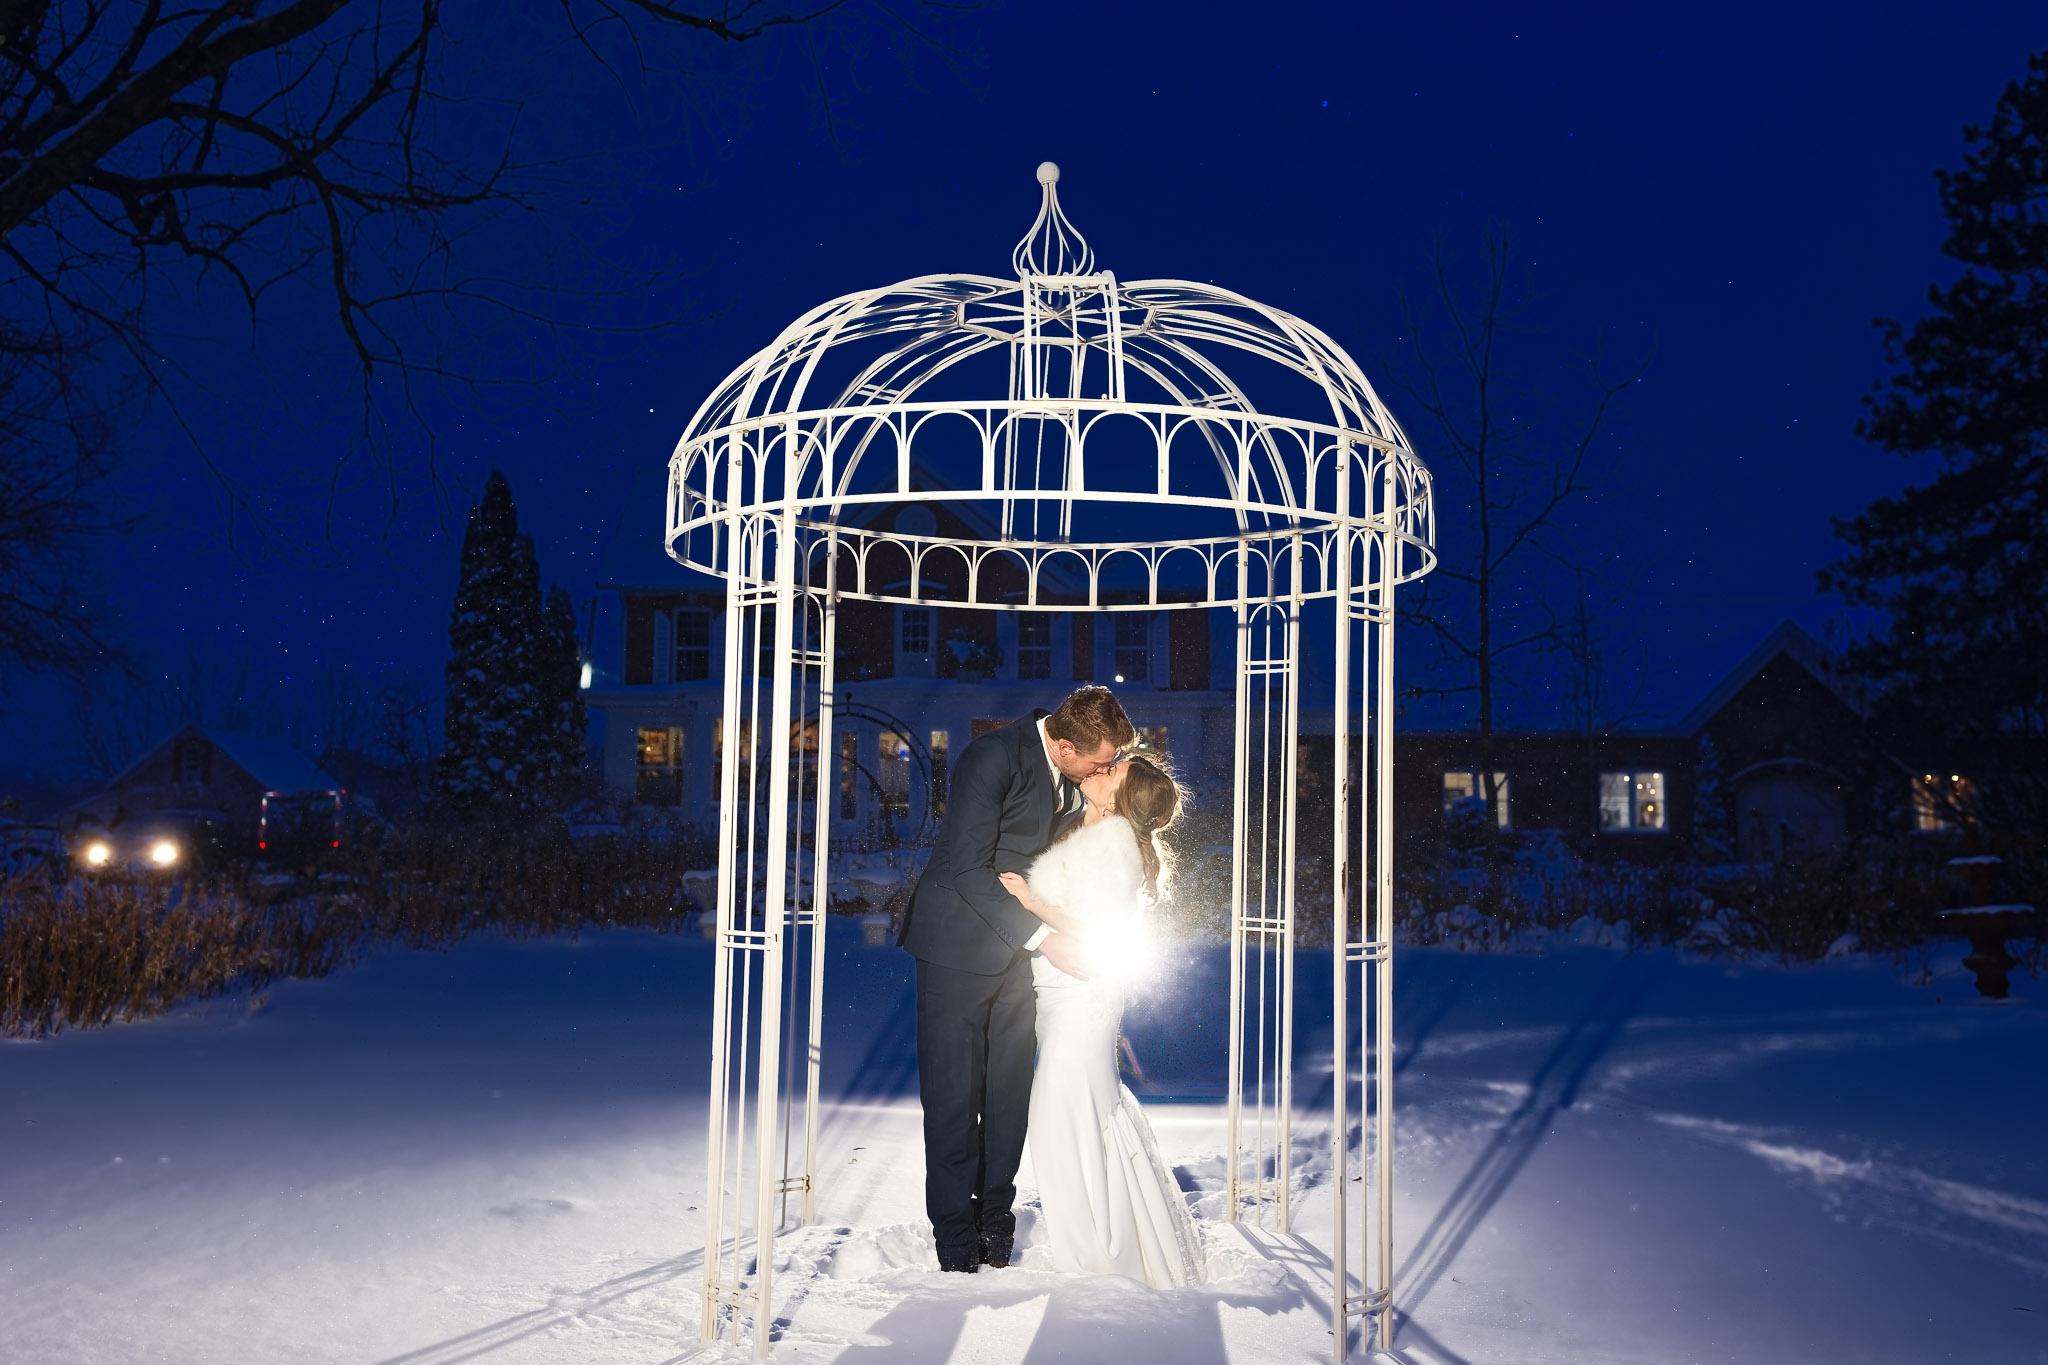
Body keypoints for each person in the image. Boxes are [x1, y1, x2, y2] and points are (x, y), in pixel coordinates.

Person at [898, 685, 1134, 1273]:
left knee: (1008, 1098)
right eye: (1100, 761)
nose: (1106, 770)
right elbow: (966, 867)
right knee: (955, 1099)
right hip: (955, 948)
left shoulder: (1076, 777)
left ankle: (995, 1231)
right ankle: (955, 1245)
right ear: (1061, 743)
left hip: (1020, 961)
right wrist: (1045, 938)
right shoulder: (991, 757)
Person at [998, 752, 1205, 1287]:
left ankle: (1094, 1253)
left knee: (1060, 1117)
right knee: (1086, 1112)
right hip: (1062, 991)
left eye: (1112, 771)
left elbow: (1094, 924)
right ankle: (1111, 1238)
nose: (1100, 768)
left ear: (1121, 797)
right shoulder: (1084, 826)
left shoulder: (1115, 843)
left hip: (1081, 997)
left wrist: (1026, 899)